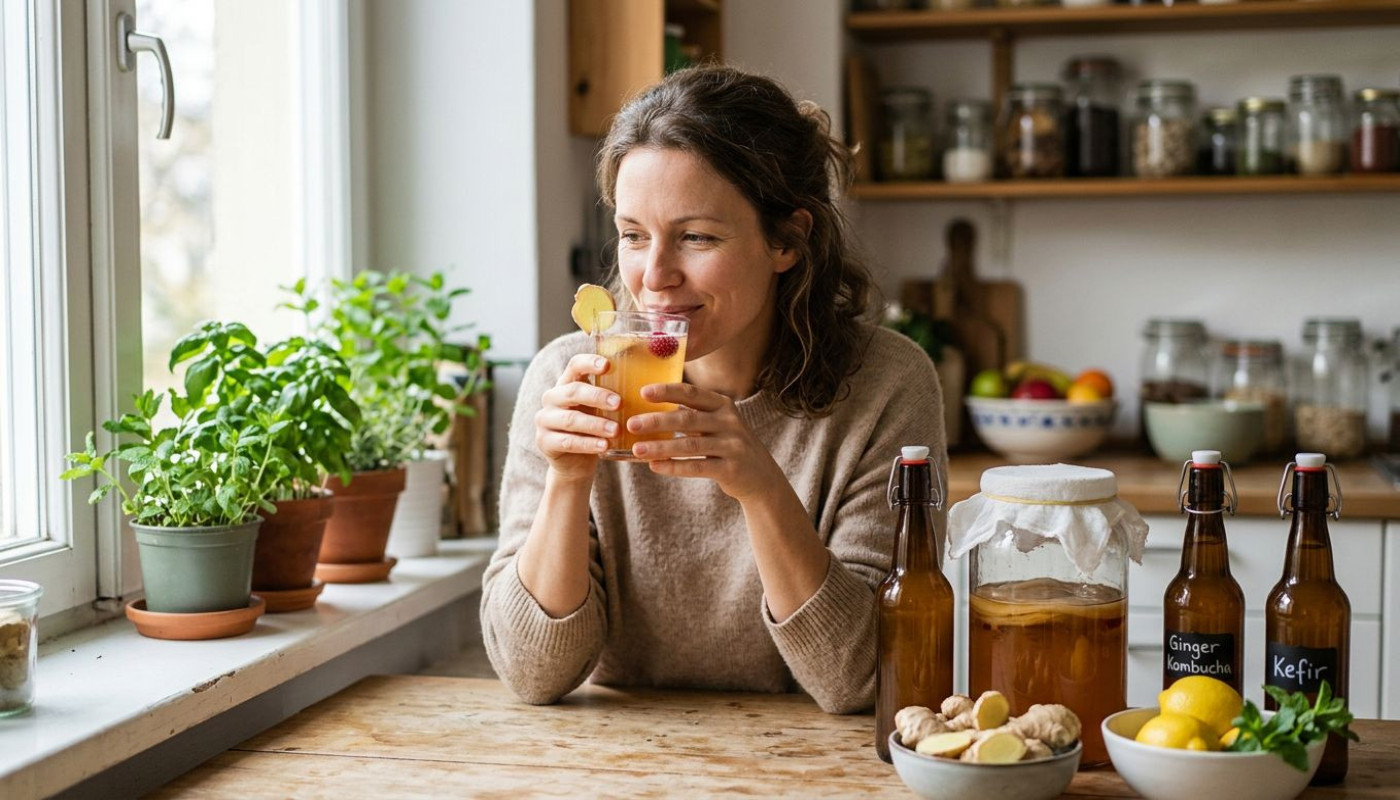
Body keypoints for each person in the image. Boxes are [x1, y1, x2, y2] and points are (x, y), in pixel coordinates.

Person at [480, 65, 945, 714]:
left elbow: (862, 680)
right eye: (634, 235)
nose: (654, 278)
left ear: (788, 238)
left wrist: (760, 486)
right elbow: (533, 676)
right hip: (617, 766)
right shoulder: (568, 379)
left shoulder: (886, 384)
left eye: (696, 236)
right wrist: (567, 481)